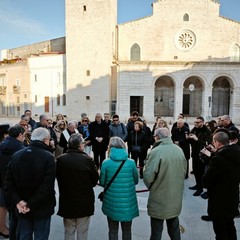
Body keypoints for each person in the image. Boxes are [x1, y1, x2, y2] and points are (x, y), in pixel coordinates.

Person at [5, 127, 56, 240]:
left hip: (22, 205)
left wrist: (19, 201)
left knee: (24, 235)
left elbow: (9, 182)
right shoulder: (48, 157)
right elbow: (47, 186)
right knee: (41, 236)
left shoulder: (17, 155)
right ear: (46, 139)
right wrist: (29, 204)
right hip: (41, 206)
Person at [143, 128, 187, 240]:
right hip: (175, 195)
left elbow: (148, 176)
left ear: (157, 137)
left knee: (156, 231)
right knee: (174, 228)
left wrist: (152, 187)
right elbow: (184, 170)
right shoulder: (178, 150)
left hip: (159, 196)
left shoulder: (155, 151)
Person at [56, 133, 99, 240]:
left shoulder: (61, 160)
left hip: (67, 200)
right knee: (82, 232)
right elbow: (94, 181)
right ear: (80, 146)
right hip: (84, 201)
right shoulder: (87, 160)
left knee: (69, 231)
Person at [100, 137, 139, 240]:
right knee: (127, 231)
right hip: (128, 202)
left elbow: (103, 182)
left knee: (113, 230)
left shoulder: (106, 163)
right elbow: (136, 181)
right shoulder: (131, 162)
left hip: (111, 201)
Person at [203, 131, 240, 240]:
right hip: (232, 197)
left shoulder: (218, 159)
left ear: (217, 143)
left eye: (214, 142)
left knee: (220, 232)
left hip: (219, 201)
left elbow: (205, 181)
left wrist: (212, 158)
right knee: (230, 226)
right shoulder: (236, 153)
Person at [0, 125, 26, 239]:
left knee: (5, 208)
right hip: (15, 185)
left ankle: (6, 231)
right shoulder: (21, 149)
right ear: (20, 135)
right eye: (24, 135)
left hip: (1, 181)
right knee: (16, 214)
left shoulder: (1, 145)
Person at [187, 116, 212, 196]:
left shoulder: (206, 131)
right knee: (196, 171)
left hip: (202, 156)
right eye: (195, 122)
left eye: (198, 122)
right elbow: (191, 141)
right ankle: (197, 185)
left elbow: (207, 144)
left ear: (202, 122)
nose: (196, 124)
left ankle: (200, 189)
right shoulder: (194, 129)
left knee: (200, 173)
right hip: (194, 154)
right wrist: (189, 138)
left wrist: (197, 139)